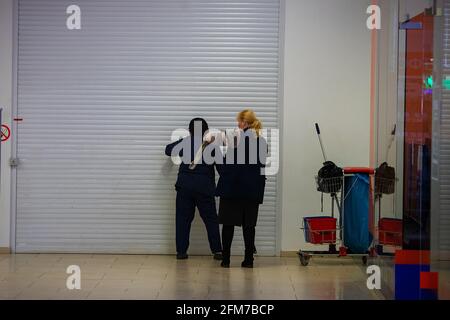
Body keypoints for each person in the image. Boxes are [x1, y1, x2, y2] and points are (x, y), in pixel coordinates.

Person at [215, 109, 267, 268]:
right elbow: (261, 166)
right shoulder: (261, 142)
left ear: (245, 123)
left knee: (228, 225)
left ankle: (226, 260)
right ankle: (249, 260)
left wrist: (219, 163)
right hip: (252, 191)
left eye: (239, 121)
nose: (237, 124)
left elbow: (226, 167)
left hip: (232, 190)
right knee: (249, 226)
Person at [165, 118, 222, 260]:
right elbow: (222, 168)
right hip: (205, 188)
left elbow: (168, 150)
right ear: (206, 131)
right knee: (211, 220)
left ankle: (181, 252)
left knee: (183, 220)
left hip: (185, 187)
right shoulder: (212, 147)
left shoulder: (184, 143)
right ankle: (217, 251)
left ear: (190, 130)